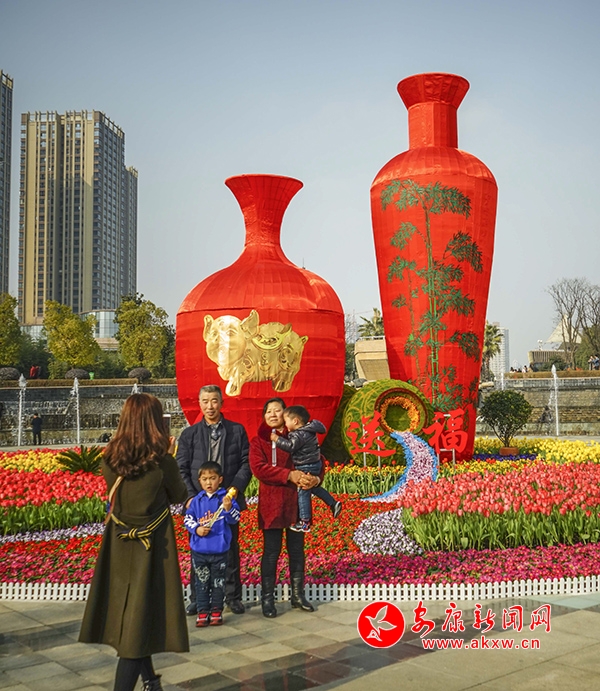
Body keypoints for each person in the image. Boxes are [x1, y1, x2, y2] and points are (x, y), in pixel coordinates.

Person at [79, 393, 188, 691]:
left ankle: (151, 681)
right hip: (151, 546)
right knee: (138, 625)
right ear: (154, 421)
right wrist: (171, 455)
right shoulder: (162, 461)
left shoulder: (109, 458)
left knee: (132, 617)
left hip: (118, 545)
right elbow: (179, 495)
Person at [176, 384, 251, 615]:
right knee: (199, 550)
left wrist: (234, 490)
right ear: (199, 404)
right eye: (205, 401)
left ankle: (232, 597)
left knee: (229, 550)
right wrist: (190, 496)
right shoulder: (189, 435)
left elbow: (246, 463)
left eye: (214, 401)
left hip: (226, 500)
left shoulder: (236, 431)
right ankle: (198, 599)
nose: (210, 406)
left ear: (221, 403)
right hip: (199, 503)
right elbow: (181, 468)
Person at [249, 397, 323, 618]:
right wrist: (289, 475)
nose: (273, 414)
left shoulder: (299, 436)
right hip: (272, 502)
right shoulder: (259, 441)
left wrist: (316, 479)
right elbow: (259, 468)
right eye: (268, 411)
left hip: (296, 501)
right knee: (271, 552)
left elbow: (318, 459)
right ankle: (268, 599)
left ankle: (298, 595)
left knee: (296, 550)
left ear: (286, 414)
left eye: (277, 410)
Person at [184, 461, 241, 628]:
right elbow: (188, 519)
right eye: (205, 479)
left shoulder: (225, 499)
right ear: (199, 481)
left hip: (219, 550)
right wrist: (197, 529)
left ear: (220, 479)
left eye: (213, 478)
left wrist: (228, 508)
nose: (209, 482)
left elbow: (235, 518)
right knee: (201, 582)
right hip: (200, 551)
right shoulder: (197, 501)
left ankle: (216, 611)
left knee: (218, 583)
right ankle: (202, 611)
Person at [271, 405, 341, 532]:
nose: (285, 425)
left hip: (305, 465)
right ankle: (333, 503)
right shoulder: (309, 430)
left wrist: (277, 439)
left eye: (286, 421)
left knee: (303, 490)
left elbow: (290, 446)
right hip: (314, 464)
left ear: (295, 421)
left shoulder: (299, 434)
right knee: (313, 487)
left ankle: (305, 522)